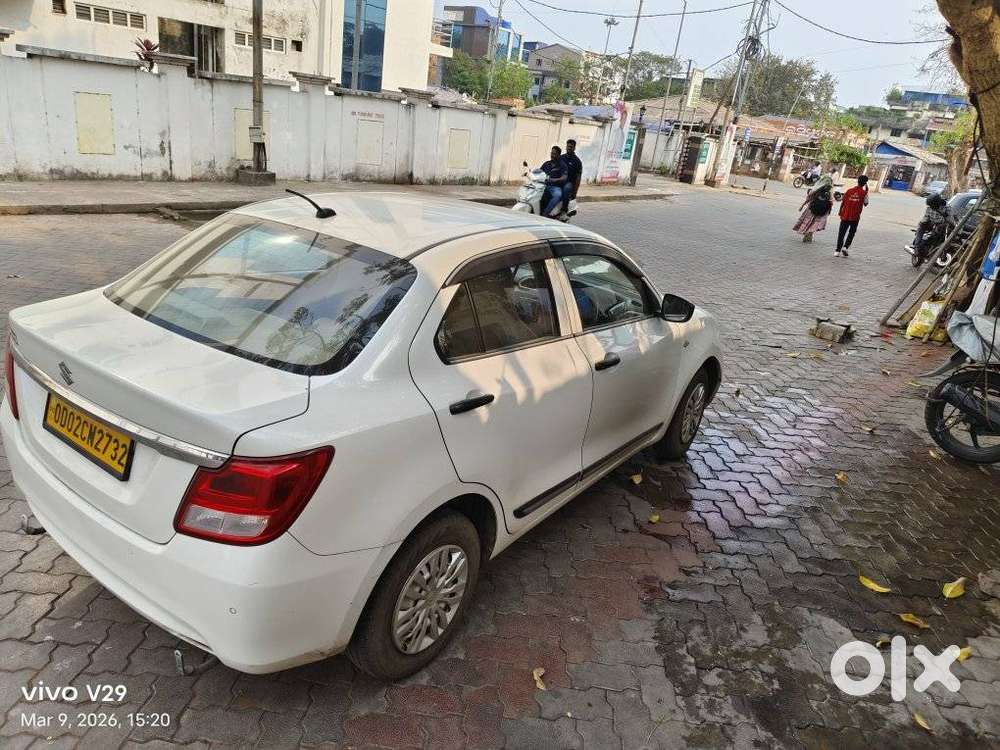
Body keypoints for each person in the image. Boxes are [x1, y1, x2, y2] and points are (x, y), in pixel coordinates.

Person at [835, 175, 870, 257]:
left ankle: (837, 251)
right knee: (852, 232)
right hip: (855, 217)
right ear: (865, 183)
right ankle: (845, 247)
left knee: (841, 233)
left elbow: (842, 201)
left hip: (845, 215)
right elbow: (866, 203)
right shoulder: (864, 193)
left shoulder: (849, 191)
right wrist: (866, 191)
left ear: (857, 181)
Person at [793, 178, 834, 243]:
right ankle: (810, 234)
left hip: (812, 209)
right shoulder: (829, 193)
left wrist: (802, 205)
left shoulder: (816, 190)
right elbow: (831, 202)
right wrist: (829, 211)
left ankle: (807, 233)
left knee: (808, 221)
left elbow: (809, 197)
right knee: (815, 223)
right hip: (822, 211)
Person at [540, 145, 567, 217]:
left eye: (554, 154)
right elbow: (539, 172)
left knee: (557, 195)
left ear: (559, 155)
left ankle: (545, 214)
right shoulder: (546, 163)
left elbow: (564, 177)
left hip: (554, 187)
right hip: (543, 185)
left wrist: (554, 180)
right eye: (551, 153)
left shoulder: (562, 165)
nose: (552, 155)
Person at [559, 138, 583, 216]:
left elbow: (578, 178)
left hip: (569, 182)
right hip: (559, 180)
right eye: (568, 146)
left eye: (571, 147)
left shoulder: (577, 162)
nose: (569, 148)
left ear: (574, 148)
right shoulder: (561, 157)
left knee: (567, 188)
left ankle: (564, 210)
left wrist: (575, 193)